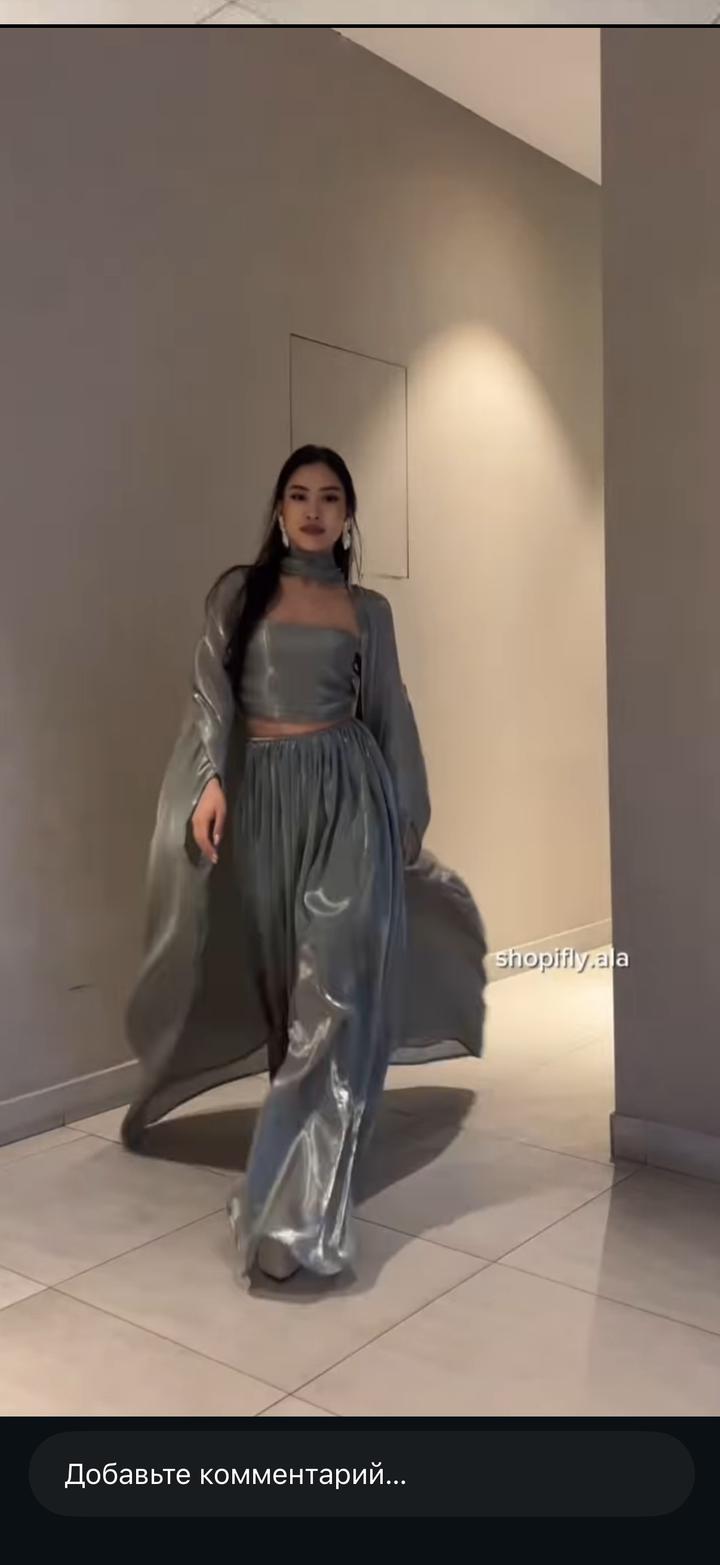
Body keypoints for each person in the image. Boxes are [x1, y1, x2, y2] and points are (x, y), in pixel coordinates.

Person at [122, 444, 487, 1285]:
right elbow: (211, 694)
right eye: (299, 495)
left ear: (348, 515)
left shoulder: (368, 610)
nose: (314, 510)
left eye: (330, 497)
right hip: (265, 804)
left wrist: (405, 817)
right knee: (288, 997)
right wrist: (210, 782)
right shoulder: (238, 594)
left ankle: (291, 1216)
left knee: (334, 990)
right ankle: (301, 1162)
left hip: (349, 795)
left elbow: (390, 710)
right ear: (280, 509)